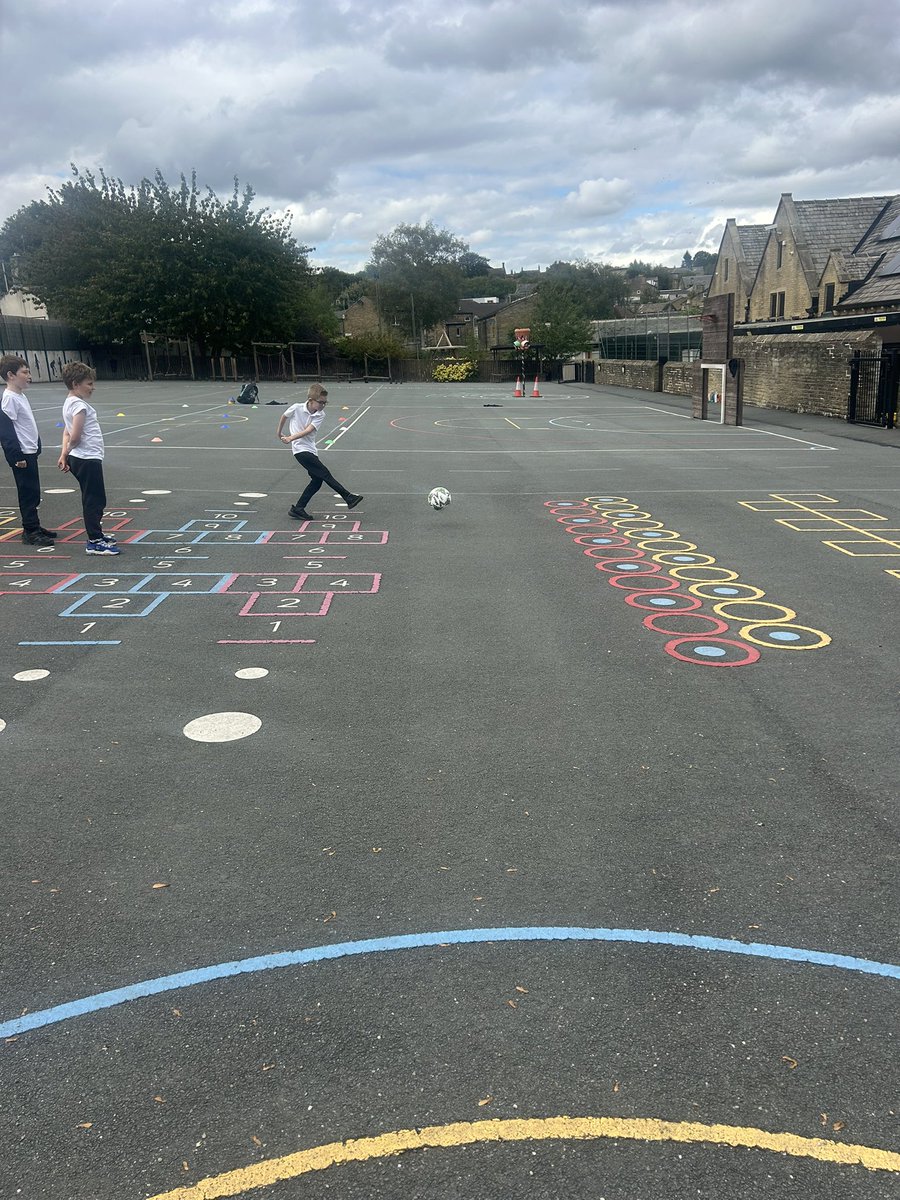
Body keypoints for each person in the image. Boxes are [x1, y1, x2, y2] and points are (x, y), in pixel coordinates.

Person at [57, 361, 120, 555]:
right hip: (86, 458)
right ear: (76, 384)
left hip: (82, 457)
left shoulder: (69, 402)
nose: (93, 388)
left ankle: (97, 535)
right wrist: (66, 452)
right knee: (94, 499)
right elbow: (75, 435)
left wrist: (63, 454)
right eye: (89, 384)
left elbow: (67, 431)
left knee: (92, 497)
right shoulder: (79, 405)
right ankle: (94, 540)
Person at [277, 383, 363, 520]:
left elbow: (308, 430)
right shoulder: (296, 408)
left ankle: (298, 508)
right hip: (300, 450)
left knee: (317, 481)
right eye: (320, 402)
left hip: (310, 449)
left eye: (325, 403)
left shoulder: (320, 414)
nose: (323, 405)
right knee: (325, 473)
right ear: (310, 400)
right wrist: (279, 432)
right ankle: (348, 497)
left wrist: (290, 437)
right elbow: (284, 416)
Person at [0, 354, 56, 547]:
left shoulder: (19, 396)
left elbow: (26, 425)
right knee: (28, 492)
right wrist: (16, 456)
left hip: (29, 451)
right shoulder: (9, 399)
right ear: (11, 375)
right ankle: (30, 531)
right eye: (24, 372)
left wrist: (36, 446)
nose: (29, 375)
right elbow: (6, 431)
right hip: (21, 454)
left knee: (33, 491)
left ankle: (34, 525)